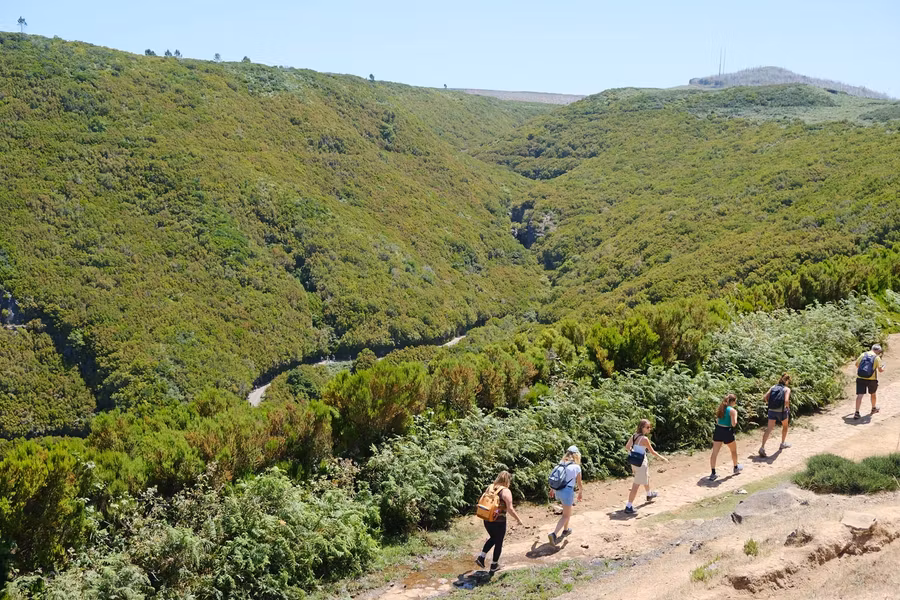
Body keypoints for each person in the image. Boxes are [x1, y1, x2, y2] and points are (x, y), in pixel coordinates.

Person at [475, 471, 523, 572]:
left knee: (493, 538)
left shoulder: (490, 487)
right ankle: (494, 565)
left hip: (487, 518)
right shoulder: (506, 491)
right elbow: (510, 509)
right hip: (499, 521)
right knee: (498, 542)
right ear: (507, 480)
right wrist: (518, 519)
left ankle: (481, 557)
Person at [624, 420, 668, 514]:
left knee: (646, 477)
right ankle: (629, 506)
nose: (649, 429)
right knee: (636, 485)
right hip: (641, 464)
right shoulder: (644, 439)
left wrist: (634, 452)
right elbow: (652, 452)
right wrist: (662, 458)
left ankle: (649, 494)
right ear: (642, 427)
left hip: (634, 463)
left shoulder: (634, 436)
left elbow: (627, 447)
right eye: (647, 427)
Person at [547, 446, 582, 545]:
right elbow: (579, 483)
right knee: (566, 516)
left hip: (558, 491)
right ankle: (553, 534)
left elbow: (556, 478)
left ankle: (566, 530)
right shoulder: (576, 467)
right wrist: (580, 492)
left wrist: (552, 489)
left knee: (567, 512)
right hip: (567, 492)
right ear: (576, 455)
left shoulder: (560, 464)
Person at [709, 394, 744, 480]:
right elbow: (733, 424)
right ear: (733, 402)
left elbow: (717, 420)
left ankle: (713, 473)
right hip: (727, 431)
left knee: (714, 452)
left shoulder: (721, 408)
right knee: (733, 451)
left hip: (718, 430)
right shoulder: (732, 410)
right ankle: (736, 467)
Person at [759, 374, 792, 457]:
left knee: (769, 428)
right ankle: (782, 443)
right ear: (787, 381)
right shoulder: (786, 389)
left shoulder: (773, 387)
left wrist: (771, 404)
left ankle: (762, 447)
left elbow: (765, 397)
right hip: (781, 411)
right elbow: (787, 400)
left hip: (771, 410)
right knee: (785, 426)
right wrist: (787, 408)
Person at [854, 344, 885, 419]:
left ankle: (857, 412)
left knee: (860, 395)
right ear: (877, 350)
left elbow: (857, 365)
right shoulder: (877, 358)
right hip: (872, 379)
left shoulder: (863, 354)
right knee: (873, 394)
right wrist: (884, 367)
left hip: (860, 377)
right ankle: (873, 408)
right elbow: (880, 370)